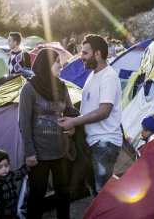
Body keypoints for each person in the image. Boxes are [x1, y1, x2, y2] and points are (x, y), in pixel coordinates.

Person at [59, 34, 122, 194]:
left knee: (102, 194)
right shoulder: (93, 75)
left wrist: (75, 122)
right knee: (94, 189)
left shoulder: (108, 77)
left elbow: (104, 111)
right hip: (93, 142)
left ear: (98, 54)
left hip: (105, 142)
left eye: (85, 53)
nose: (81, 57)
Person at [18, 48, 77, 219]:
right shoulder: (29, 88)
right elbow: (24, 122)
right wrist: (29, 152)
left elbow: (70, 109)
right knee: (37, 195)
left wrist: (74, 123)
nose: (61, 65)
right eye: (57, 61)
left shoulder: (61, 85)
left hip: (61, 151)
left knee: (63, 193)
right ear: (46, 64)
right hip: (39, 153)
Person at [0, 149, 30, 219]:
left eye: (6, 165)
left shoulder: (11, 175)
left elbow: (20, 172)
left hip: (12, 212)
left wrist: (29, 165)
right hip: (0, 215)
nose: (4, 169)